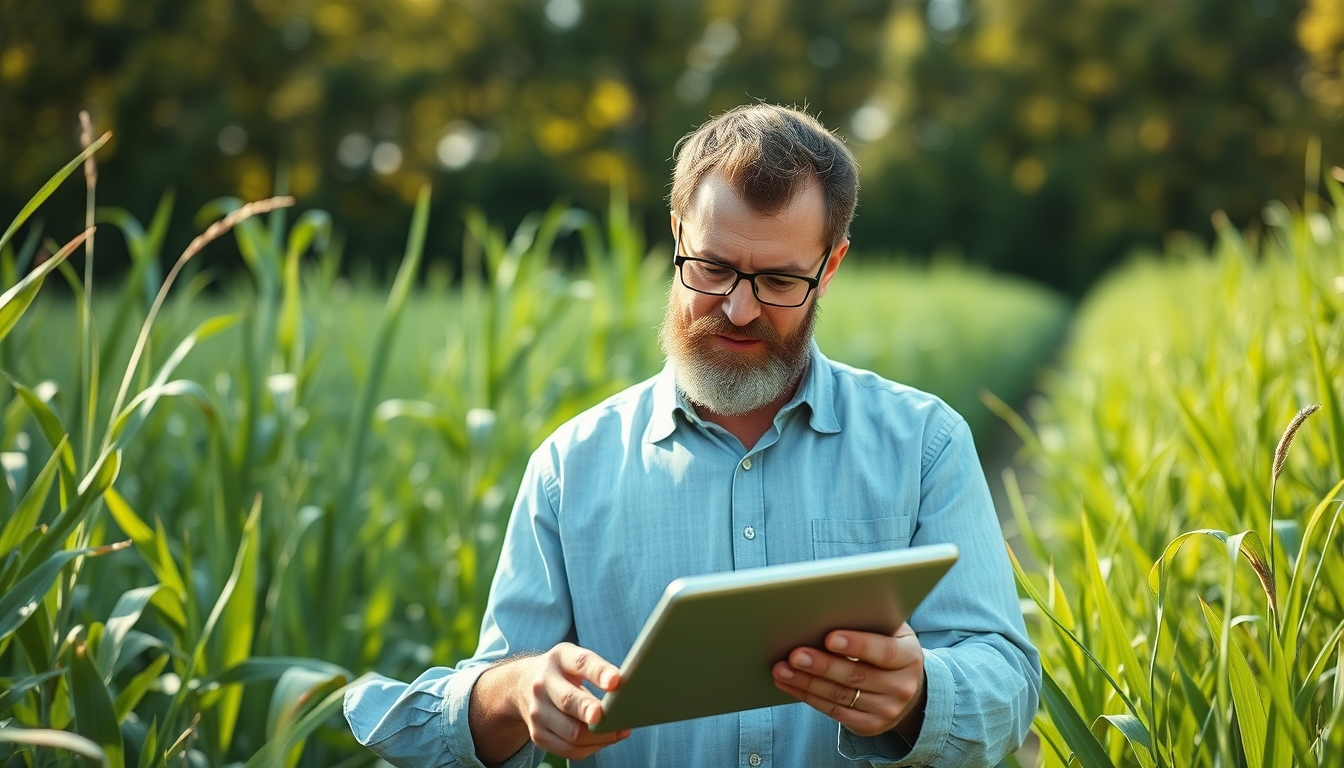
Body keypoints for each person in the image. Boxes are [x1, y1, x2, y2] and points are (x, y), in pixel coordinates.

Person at [344, 104, 1040, 768]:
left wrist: (917, 695)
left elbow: (1009, 689)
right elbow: (478, 709)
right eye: (712, 268)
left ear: (829, 268)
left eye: (777, 280)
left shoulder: (923, 445)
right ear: (678, 236)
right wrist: (517, 692)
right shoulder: (571, 466)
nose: (739, 309)